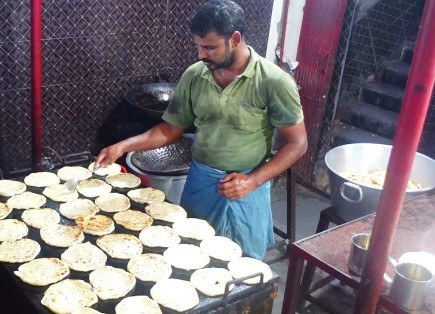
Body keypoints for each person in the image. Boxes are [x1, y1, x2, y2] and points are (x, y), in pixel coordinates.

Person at [95, 0, 307, 260]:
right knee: (189, 257)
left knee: (244, 266)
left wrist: (253, 180)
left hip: (246, 186)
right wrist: (123, 146)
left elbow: (298, 143)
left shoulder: (273, 82)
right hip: (201, 181)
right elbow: (171, 128)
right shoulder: (196, 75)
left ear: (235, 39)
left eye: (209, 47)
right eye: (198, 46)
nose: (201, 55)